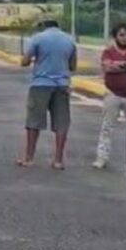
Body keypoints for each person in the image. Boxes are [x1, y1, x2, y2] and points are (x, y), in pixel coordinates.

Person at [18, 18, 77, 170]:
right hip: (62, 86)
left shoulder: (38, 38)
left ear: (44, 26)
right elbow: (73, 65)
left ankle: (29, 158)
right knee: (61, 123)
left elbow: (24, 61)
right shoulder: (69, 40)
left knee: (33, 122)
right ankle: (58, 160)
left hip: (41, 84)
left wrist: (37, 60)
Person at [93, 22, 126, 169]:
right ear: (115, 37)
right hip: (113, 94)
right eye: (122, 35)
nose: (125, 38)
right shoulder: (108, 52)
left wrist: (120, 65)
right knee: (107, 128)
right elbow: (108, 67)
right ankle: (101, 158)